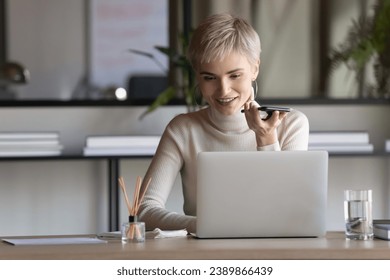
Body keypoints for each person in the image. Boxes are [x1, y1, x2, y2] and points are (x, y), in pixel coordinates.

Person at [138, 13, 309, 233]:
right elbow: (143, 210)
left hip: (273, 250)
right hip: (204, 253)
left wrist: (266, 138)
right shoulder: (183, 129)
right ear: (197, 76)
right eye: (209, 78)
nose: (223, 90)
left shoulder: (291, 124)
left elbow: (288, 211)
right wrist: (202, 225)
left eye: (235, 75)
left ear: (255, 68)